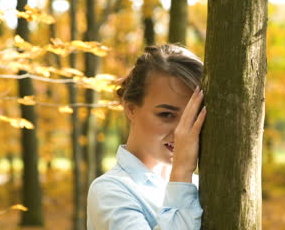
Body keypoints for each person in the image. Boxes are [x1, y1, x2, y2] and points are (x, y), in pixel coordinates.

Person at [87, 44, 206, 230]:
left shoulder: (201, 185)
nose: (181, 131)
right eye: (166, 114)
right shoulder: (110, 191)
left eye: (192, 117)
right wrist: (182, 172)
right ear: (131, 109)